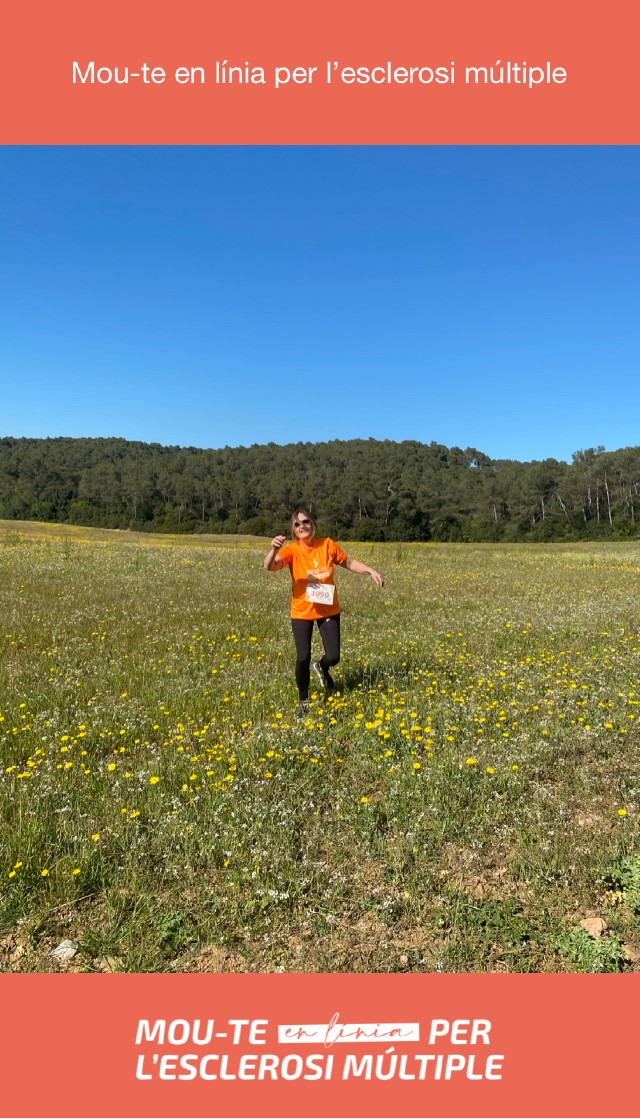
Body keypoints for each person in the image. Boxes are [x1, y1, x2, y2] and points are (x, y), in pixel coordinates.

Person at [263, 509, 384, 714]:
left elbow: (349, 562)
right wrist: (273, 550)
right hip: (302, 611)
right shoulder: (292, 550)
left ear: (312, 524)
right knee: (303, 657)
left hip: (328, 609)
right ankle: (303, 701)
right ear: (293, 530)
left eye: (306, 521)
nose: (302, 526)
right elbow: (270, 566)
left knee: (334, 656)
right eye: (297, 524)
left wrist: (370, 570)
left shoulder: (326, 545)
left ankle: (323, 666)